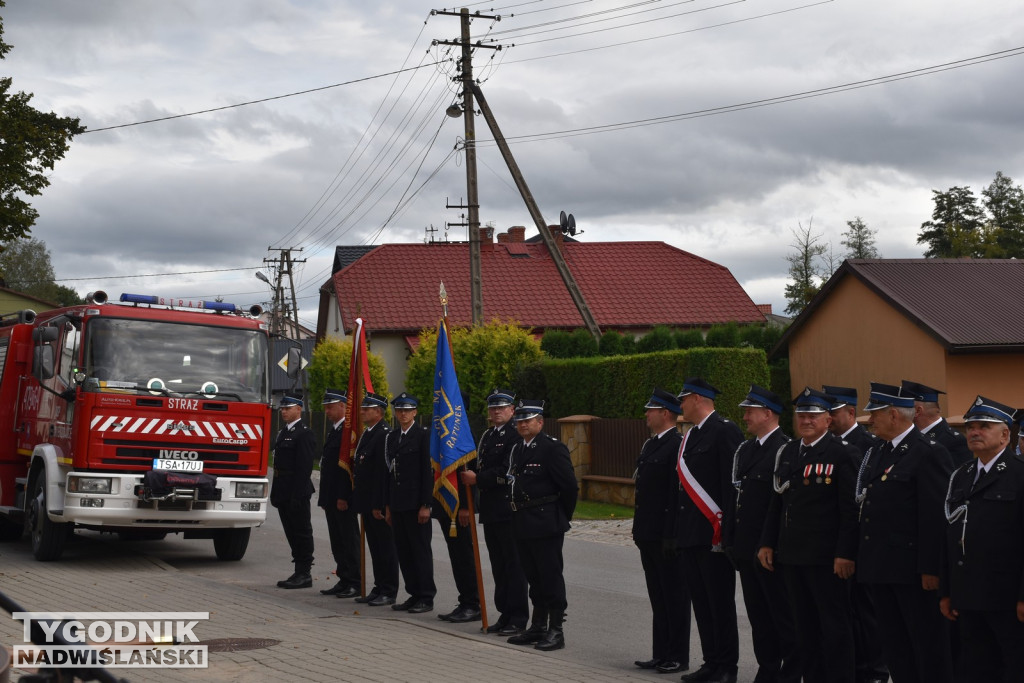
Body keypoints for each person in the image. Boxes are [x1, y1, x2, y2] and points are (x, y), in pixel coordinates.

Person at [758, 387, 859, 683]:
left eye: (813, 415)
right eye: (802, 415)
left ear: (828, 419)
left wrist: (845, 553)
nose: (806, 420)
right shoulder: (788, 452)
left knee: (835, 628)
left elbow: (850, 510)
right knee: (804, 629)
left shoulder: (843, 453)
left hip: (827, 559)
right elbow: (777, 501)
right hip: (792, 556)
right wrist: (767, 542)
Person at [858, 382, 954, 683]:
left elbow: (935, 518)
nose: (870, 421)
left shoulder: (927, 453)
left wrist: (930, 568)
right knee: (895, 646)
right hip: (882, 568)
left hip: (913, 572)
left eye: (875, 414)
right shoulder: (880, 451)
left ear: (894, 416)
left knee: (926, 646)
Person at [940, 396, 1024, 682]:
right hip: (969, 594)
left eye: (983, 426)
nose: (974, 432)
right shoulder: (961, 475)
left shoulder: (1019, 474)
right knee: (975, 667)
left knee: (1014, 665)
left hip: (1008, 596)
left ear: (1005, 435)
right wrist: (947, 590)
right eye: (971, 427)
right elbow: (950, 534)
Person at [723, 385, 799, 683]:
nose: (745, 416)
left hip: (771, 552)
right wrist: (729, 539)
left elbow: (782, 505)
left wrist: (772, 545)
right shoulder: (746, 449)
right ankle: (768, 669)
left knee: (783, 616)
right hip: (746, 549)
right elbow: (735, 498)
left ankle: (791, 673)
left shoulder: (785, 449)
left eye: (750, 411)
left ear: (768, 414)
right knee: (758, 618)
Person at [676, 377, 742, 683]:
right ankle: (711, 661)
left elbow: (731, 486)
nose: (680, 405)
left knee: (720, 604)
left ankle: (727, 666)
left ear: (698, 399)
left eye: (684, 399)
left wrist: (726, 532)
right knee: (702, 603)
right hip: (691, 533)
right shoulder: (691, 436)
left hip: (713, 534)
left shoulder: (724, 431)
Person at [823, 384, 886, 683]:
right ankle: (855, 665)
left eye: (832, 412)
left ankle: (874, 669)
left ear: (850, 412)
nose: (828, 418)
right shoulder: (826, 444)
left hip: (861, 541)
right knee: (843, 611)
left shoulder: (866, 443)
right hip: (834, 541)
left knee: (865, 610)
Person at [506, 399, 578, 652]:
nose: (523, 424)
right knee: (533, 576)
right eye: (520, 420)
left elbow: (569, 487)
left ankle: (556, 630)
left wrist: (559, 516)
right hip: (522, 522)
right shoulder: (518, 449)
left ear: (540, 422)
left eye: (528, 420)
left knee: (550, 576)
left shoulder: (551, 448)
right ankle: (537, 626)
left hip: (545, 522)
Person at [459, 389, 529, 635]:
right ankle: (504, 613)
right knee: (498, 566)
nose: (496, 412)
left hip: (508, 510)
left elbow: (507, 471)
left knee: (513, 565)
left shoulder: (515, 435)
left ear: (512, 410)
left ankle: (518, 617)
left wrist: (478, 478)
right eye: (493, 408)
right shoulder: (488, 436)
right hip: (491, 511)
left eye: (501, 407)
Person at [632, 388, 691, 674]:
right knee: (658, 596)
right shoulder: (651, 445)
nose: (646, 414)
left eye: (650, 410)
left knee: (675, 596)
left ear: (665, 413)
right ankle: (661, 652)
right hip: (648, 533)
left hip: (666, 536)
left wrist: (672, 534)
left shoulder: (677, 445)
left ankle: (678, 655)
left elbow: (674, 494)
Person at [385, 393, 436, 614]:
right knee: (404, 552)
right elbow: (390, 474)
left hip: (416, 504)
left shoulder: (423, 435)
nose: (403, 414)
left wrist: (426, 504)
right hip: (398, 503)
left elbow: (428, 472)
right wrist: (388, 505)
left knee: (420, 551)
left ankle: (425, 596)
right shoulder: (394, 436)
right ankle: (413, 593)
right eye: (399, 410)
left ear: (415, 412)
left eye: (407, 410)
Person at [351, 391, 398, 606]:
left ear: (378, 412)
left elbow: (383, 473)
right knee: (375, 548)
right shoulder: (369, 433)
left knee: (386, 548)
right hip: (367, 501)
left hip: (377, 502)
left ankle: (388, 590)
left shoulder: (384, 434)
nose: (362, 412)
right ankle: (379, 587)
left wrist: (380, 503)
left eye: (366, 409)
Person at [271, 392, 316, 589]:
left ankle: (304, 573)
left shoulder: (304, 433)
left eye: (288, 408)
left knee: (301, 532)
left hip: (296, 491)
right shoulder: (283, 432)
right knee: (291, 531)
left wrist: (297, 494)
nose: (284, 411)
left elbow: (304, 467)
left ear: (299, 409)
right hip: (283, 490)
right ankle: (298, 570)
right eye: (282, 408)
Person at [318, 388, 360, 598]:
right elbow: (327, 468)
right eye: (326, 407)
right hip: (332, 496)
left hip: (343, 498)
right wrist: (325, 498)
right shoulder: (335, 430)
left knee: (349, 540)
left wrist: (344, 496)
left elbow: (346, 470)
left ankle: (354, 581)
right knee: (337, 540)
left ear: (343, 406)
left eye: (331, 407)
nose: (327, 410)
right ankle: (344, 579)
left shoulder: (347, 432)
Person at [901, 380, 972, 467]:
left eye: (905, 407)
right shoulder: (909, 435)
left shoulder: (954, 441)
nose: (900, 412)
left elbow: (955, 477)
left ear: (917, 411)